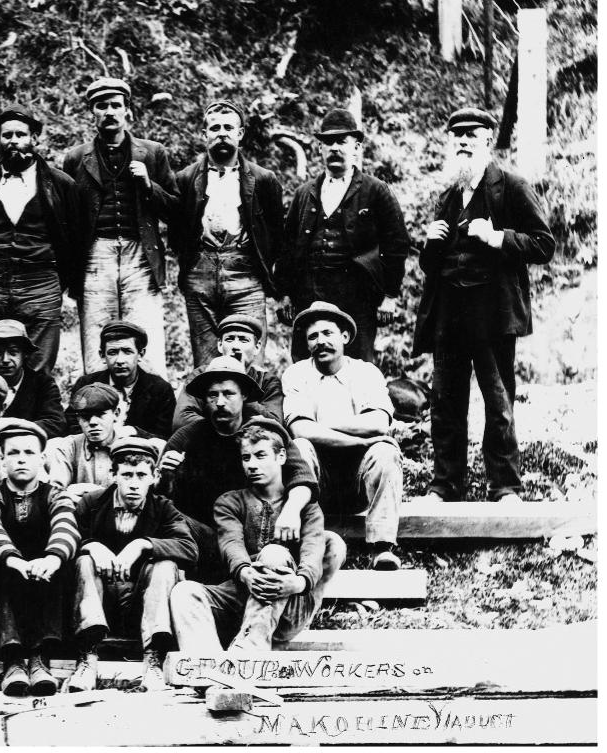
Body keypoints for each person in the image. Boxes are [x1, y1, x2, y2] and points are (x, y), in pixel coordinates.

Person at [413, 108, 554, 503]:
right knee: (444, 401)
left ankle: (505, 486)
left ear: (488, 140)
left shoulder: (511, 186)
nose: (461, 141)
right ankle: (445, 485)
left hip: (491, 314)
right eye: (455, 135)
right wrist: (430, 243)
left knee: (498, 401)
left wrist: (496, 237)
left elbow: (543, 244)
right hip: (449, 313)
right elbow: (430, 266)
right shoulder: (448, 196)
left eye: (470, 135)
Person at [171, 418, 345, 652]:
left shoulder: (306, 507)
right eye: (246, 457)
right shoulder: (230, 502)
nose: (252, 465)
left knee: (274, 554)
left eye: (260, 456)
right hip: (240, 592)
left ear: (281, 457)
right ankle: (208, 669)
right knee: (185, 592)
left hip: (288, 599)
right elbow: (231, 542)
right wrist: (244, 573)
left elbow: (313, 550)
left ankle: (249, 654)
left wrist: (299, 582)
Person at [157, 356, 319, 582]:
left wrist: (291, 510)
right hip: (210, 538)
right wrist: (166, 475)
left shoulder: (265, 432)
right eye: (213, 395)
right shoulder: (188, 436)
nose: (220, 402)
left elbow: (302, 477)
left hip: (260, 533)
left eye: (228, 393)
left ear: (244, 395)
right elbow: (161, 498)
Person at [61, 78, 178, 374]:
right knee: (97, 337)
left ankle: (152, 410)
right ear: (92, 114)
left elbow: (175, 209)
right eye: (102, 106)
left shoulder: (152, 153)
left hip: (140, 255)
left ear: (128, 111)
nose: (110, 112)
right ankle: (97, 405)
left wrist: (148, 184)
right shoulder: (76, 158)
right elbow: (67, 215)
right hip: (94, 256)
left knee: (145, 333)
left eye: (116, 105)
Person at [276, 109, 410, 362]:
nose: (335, 147)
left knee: (358, 364)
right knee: (306, 362)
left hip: (357, 294)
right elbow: (288, 245)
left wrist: (390, 296)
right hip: (309, 294)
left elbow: (397, 244)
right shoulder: (305, 193)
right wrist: (284, 293)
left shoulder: (376, 191)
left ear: (356, 147)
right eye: (329, 142)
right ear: (320, 149)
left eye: (342, 141)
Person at [66, 438, 197, 693]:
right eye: (127, 475)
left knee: (166, 564)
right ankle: (87, 659)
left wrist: (143, 544)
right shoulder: (91, 504)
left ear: (154, 476)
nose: (134, 483)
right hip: (100, 606)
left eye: (141, 475)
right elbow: (64, 542)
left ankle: (154, 661)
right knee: (83, 560)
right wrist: (91, 546)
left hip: (143, 607)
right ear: (113, 475)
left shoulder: (163, 508)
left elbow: (190, 549)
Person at [0, 106, 84, 373]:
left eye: (21, 134)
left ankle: (33, 415)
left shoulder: (61, 185)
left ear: (35, 139)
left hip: (40, 286)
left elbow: (74, 241)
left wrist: (57, 284)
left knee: (37, 368)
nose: (14, 141)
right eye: (7, 135)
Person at [283, 302, 404, 570]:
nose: (320, 342)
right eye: (313, 336)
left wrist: (323, 425)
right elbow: (301, 430)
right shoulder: (296, 374)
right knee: (300, 447)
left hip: (360, 480)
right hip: (317, 483)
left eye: (328, 333)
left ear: (345, 337)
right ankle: (302, 546)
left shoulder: (365, 372)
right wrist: (359, 440)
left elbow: (378, 423)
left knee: (384, 451)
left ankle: (382, 548)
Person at [168, 100, 283, 366]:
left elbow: (276, 235)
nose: (222, 133)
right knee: (207, 360)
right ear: (204, 134)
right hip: (200, 276)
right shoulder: (185, 178)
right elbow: (176, 233)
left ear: (241, 133)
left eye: (229, 128)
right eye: (215, 128)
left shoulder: (263, 178)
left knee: (249, 357)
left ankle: (251, 409)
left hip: (246, 275)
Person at [0, 419, 79, 697]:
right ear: (2, 458)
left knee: (62, 566)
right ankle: (12, 662)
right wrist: (13, 559)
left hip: (44, 579)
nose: (21, 459)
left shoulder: (55, 494)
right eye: (13, 453)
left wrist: (53, 558)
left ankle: (39, 660)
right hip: (7, 576)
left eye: (29, 453)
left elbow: (66, 526)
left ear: (42, 458)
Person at [173, 314, 284, 430]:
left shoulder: (268, 381)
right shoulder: (201, 375)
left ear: (257, 347)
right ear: (220, 345)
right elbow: (181, 420)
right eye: (229, 339)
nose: (235, 346)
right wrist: (222, 429)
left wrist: (242, 382)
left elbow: (276, 426)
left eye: (243, 340)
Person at [66, 321, 176, 439]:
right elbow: (71, 422)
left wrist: (134, 432)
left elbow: (165, 436)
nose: (120, 360)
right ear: (103, 355)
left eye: (127, 351)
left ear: (140, 354)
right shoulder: (86, 384)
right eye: (112, 352)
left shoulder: (160, 390)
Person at [47, 382, 152, 500]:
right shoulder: (69, 447)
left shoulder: (131, 448)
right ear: (78, 419)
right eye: (85, 416)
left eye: (100, 415)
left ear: (116, 414)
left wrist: (92, 493)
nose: (92, 422)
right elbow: (55, 494)